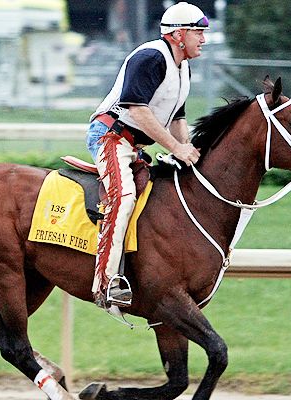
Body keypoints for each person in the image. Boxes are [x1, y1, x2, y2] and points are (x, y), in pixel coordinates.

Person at [86, 2, 208, 308]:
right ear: (178, 35)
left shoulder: (183, 67)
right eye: (198, 32)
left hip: (134, 145)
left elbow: (177, 116)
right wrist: (176, 148)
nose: (203, 39)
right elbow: (137, 110)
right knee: (123, 197)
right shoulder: (151, 57)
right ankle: (105, 284)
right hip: (110, 137)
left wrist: (189, 148)